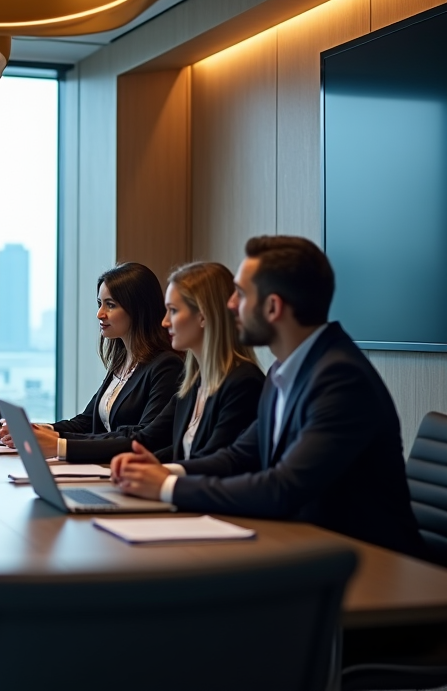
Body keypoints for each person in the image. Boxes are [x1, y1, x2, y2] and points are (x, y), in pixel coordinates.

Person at [112, 235, 426, 558]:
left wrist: (167, 487)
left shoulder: (341, 379)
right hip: (310, 548)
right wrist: (168, 472)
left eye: (242, 294)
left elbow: (282, 488)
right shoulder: (283, 373)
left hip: (374, 564)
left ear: (273, 307)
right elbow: (237, 456)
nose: (230, 304)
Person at [61, 262, 264, 464]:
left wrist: (61, 445)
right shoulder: (194, 382)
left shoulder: (243, 381)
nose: (165, 322)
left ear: (203, 316)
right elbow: (156, 441)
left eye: (173, 311)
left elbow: (217, 463)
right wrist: (140, 467)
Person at [0, 262, 182, 457]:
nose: (99, 314)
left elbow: (143, 438)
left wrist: (59, 444)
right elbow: (86, 422)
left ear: (138, 309)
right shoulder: (123, 361)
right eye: (99, 304)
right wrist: (40, 430)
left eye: (110, 305)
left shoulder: (166, 366)